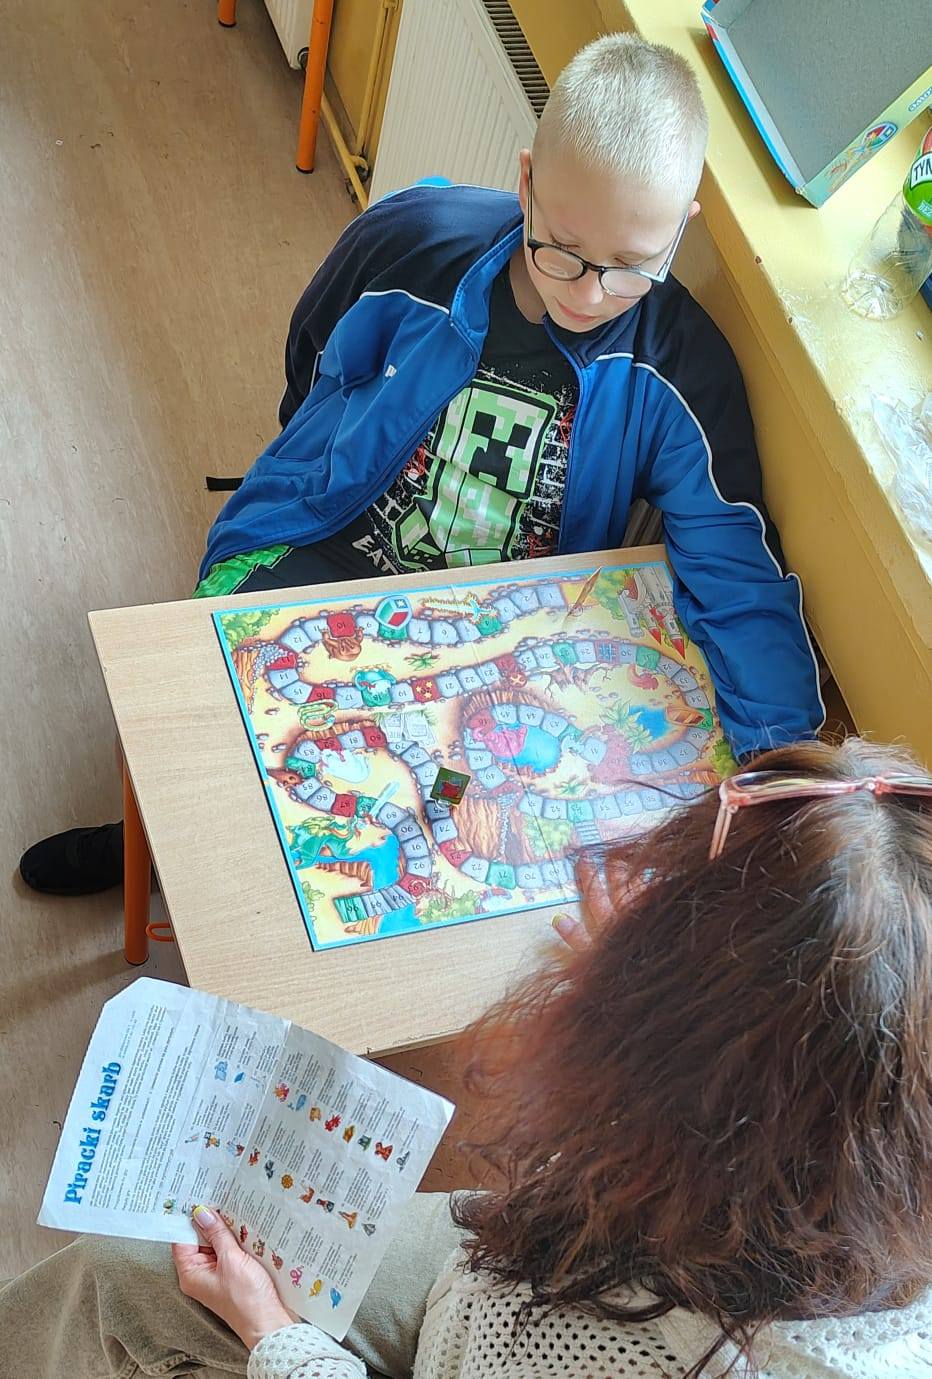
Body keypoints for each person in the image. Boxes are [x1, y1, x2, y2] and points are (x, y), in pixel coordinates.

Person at [20, 33, 823, 897]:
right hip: (329, 540)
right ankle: (151, 842)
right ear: (525, 183)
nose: (588, 292)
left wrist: (788, 783)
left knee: (432, 823)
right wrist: (313, 462)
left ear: (681, 228)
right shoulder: (415, 239)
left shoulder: (682, 366)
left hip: (498, 629)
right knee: (211, 714)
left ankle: (256, 872)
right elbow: (314, 355)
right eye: (561, 248)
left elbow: (737, 579)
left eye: (630, 268)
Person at [5, 736, 932, 1378]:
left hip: (509, 1322)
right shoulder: (817, 1158)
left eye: (661, 895)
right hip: (556, 1251)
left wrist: (273, 1332)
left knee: (127, 1272)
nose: (621, 900)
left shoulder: (595, 1349)